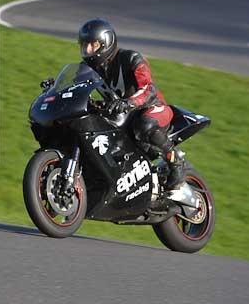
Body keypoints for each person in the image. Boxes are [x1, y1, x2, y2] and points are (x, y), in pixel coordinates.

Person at [77, 18, 185, 190]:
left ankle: (176, 161)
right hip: (122, 117)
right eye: (85, 45)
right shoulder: (89, 69)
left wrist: (129, 102)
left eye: (93, 45)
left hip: (152, 108)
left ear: (106, 43)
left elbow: (148, 88)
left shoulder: (131, 58)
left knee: (144, 124)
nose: (88, 50)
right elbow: (78, 88)